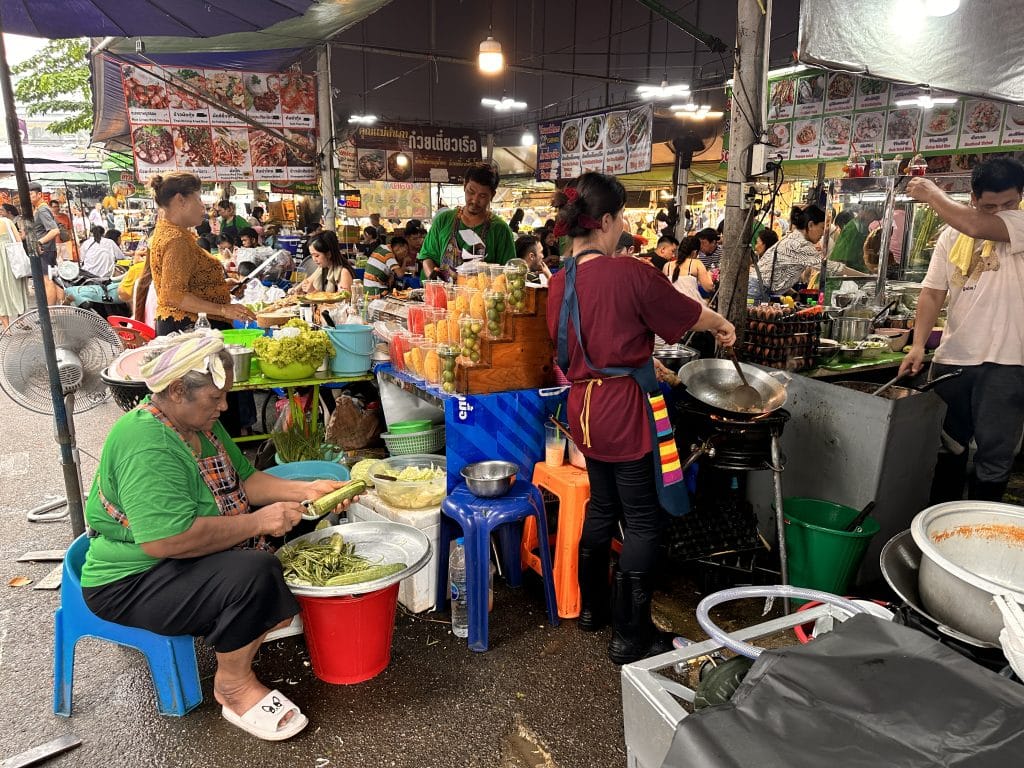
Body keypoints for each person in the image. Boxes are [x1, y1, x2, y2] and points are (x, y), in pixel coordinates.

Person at [80, 332, 359, 741]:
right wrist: (258, 523)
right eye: (215, 398)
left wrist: (308, 491)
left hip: (178, 558)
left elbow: (246, 482)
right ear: (176, 390)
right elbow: (166, 542)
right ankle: (232, 684)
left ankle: (256, 619)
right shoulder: (146, 443)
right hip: (132, 580)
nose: (225, 406)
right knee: (257, 572)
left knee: (301, 522)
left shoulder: (197, 424)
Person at [545, 172, 736, 665]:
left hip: (584, 408)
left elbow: (574, 349)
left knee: (602, 506)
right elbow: (684, 311)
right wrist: (721, 322)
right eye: (622, 216)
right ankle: (630, 635)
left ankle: (593, 611)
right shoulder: (628, 272)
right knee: (643, 522)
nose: (625, 225)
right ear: (605, 221)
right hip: (624, 411)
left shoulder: (560, 280)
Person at [898, 158, 1024, 503]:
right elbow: (933, 291)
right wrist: (918, 344)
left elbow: (976, 226)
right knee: (945, 451)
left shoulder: (1019, 223)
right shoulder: (952, 232)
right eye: (989, 206)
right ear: (973, 198)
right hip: (953, 359)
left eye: (1008, 204)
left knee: (994, 459)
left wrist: (931, 191)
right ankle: (939, 529)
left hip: (1009, 364)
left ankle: (980, 535)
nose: (1000, 212)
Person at [149, 173, 254, 336]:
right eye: (198, 198)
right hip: (189, 328)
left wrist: (220, 287)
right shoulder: (176, 239)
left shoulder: (173, 232)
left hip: (188, 325)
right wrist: (223, 309)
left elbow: (185, 284)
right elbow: (174, 295)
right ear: (180, 200)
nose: (203, 206)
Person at [418, 163, 516, 279]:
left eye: (483, 196)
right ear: (464, 186)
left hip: (480, 296)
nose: (475, 200)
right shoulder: (444, 220)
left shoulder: (500, 230)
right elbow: (427, 257)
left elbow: (508, 273)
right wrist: (434, 280)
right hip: (443, 293)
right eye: (471, 192)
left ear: (492, 195)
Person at [750, 205, 867, 299]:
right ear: (810, 225)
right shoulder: (800, 245)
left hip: (758, 287)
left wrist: (794, 294)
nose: (823, 233)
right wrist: (866, 277)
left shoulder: (794, 238)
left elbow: (778, 272)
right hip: (756, 290)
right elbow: (832, 267)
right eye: (821, 227)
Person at [28, 183, 62, 305]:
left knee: (48, 280)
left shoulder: (42, 209)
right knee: (53, 278)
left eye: (31, 194)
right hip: (46, 250)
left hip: (45, 251)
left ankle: (50, 313)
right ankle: (62, 306)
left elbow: (55, 230)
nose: (28, 196)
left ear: (39, 194)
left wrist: (39, 242)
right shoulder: (38, 209)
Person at [663, 235, 713, 305]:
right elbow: (709, 287)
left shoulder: (667, 266)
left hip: (670, 307)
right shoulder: (696, 263)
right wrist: (709, 275)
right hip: (690, 308)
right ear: (695, 252)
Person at [0, 200, 26, 328]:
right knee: (17, 287)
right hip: (12, 260)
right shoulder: (8, 222)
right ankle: (20, 319)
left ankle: (6, 327)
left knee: (1, 292)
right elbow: (18, 240)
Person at [829, 207, 871, 273]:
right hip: (861, 271)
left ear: (843, 225)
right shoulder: (859, 228)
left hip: (851, 273)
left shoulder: (849, 230)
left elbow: (839, 259)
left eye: (839, 227)